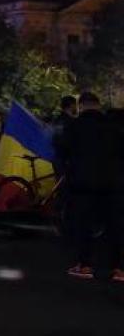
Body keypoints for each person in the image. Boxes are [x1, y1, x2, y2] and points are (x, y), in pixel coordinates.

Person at [55, 92, 122, 282]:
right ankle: (118, 268)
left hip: (82, 183)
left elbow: (61, 150)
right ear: (98, 105)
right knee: (114, 225)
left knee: (83, 224)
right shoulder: (114, 126)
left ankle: (85, 265)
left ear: (81, 105)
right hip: (112, 183)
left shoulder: (74, 126)